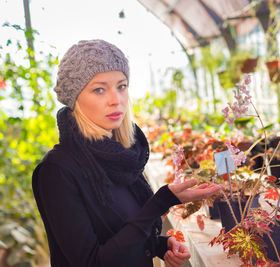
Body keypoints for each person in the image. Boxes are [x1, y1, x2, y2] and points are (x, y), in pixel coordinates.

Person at [32, 39, 222, 267]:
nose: (116, 100)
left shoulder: (122, 157)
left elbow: (118, 234)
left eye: (121, 86)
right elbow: (92, 262)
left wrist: (159, 245)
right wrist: (160, 202)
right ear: (75, 98)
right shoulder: (57, 171)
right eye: (99, 89)